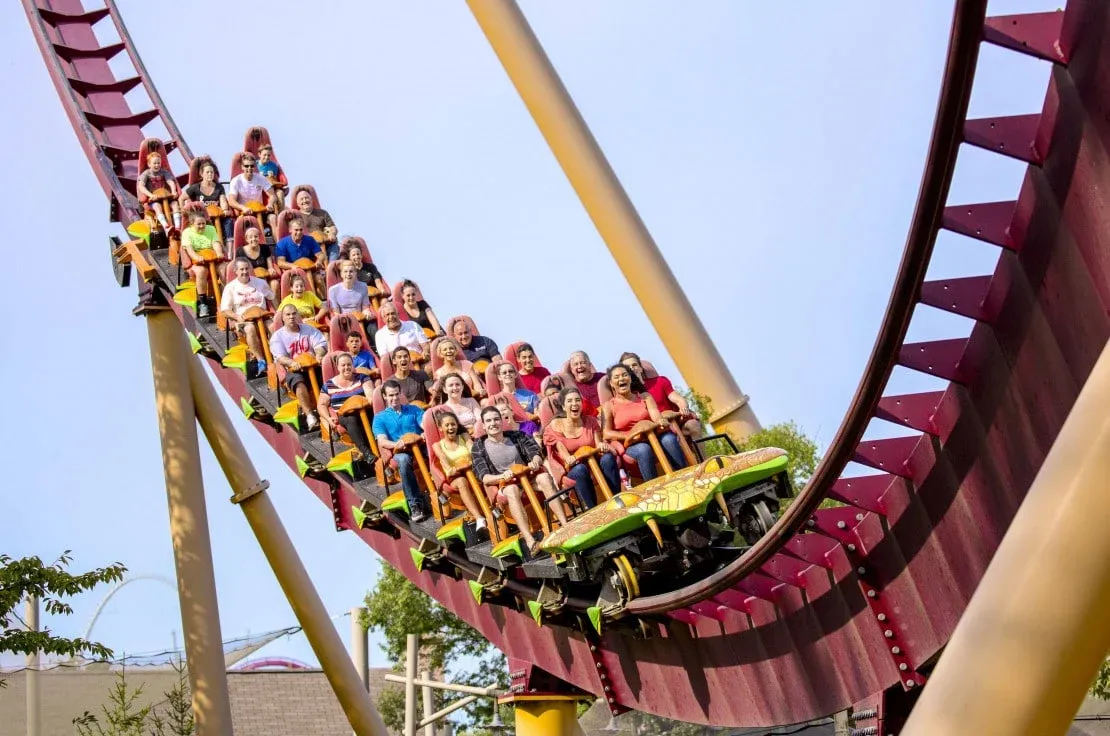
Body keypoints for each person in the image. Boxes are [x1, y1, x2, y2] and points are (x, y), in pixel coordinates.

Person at [472, 406, 568, 553]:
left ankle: (565, 524)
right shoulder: (478, 446)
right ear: (484, 426)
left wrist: (535, 461)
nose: (493, 423)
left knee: (544, 477)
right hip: (505, 482)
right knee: (511, 490)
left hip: (528, 476)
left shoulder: (518, 436)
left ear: (502, 421)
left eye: (496, 419)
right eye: (489, 421)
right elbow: (485, 477)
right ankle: (530, 541)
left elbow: (535, 452)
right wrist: (502, 476)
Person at [601, 364, 687, 481]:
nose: (621, 379)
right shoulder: (608, 406)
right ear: (611, 383)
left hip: (653, 434)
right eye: (616, 377)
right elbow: (606, 433)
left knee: (669, 439)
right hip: (632, 443)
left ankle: (684, 476)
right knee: (643, 449)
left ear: (630, 379)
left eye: (625, 375)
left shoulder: (645, 397)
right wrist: (628, 435)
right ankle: (654, 488)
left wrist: (660, 421)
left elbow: (656, 417)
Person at [544, 387, 619, 509]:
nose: (574, 404)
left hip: (594, 460)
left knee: (607, 458)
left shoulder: (590, 421)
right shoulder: (556, 425)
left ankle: (616, 498)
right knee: (580, 469)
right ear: (563, 407)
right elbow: (563, 452)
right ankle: (593, 509)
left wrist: (601, 445)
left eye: (577, 400)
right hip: (574, 467)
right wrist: (569, 458)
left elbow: (597, 443)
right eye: (569, 401)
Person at [372, 379, 432, 522]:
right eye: (391, 395)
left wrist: (425, 432)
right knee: (403, 461)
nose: (394, 398)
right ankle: (414, 504)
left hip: (419, 444)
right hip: (400, 450)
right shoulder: (380, 418)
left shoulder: (413, 410)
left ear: (401, 394)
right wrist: (396, 444)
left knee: (435, 451)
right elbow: (382, 440)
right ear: (385, 397)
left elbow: (424, 424)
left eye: (397, 394)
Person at [269, 304, 328, 430]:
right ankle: (309, 415)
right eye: (288, 315)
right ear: (283, 318)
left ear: (298, 315)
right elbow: (280, 357)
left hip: (314, 364)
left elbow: (320, 344)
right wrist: (292, 363)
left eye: (294, 314)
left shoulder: (309, 329)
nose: (292, 317)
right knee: (299, 383)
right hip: (295, 369)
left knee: (328, 375)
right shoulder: (277, 336)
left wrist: (319, 354)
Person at [619, 352, 703, 439]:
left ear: (640, 368)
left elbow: (677, 399)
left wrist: (683, 407)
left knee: (693, 425)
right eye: (628, 368)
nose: (632, 368)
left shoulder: (660, 381)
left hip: (676, 421)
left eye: (634, 365)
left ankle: (701, 452)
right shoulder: (628, 396)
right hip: (657, 430)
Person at [430, 410, 488, 532]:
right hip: (454, 476)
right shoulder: (437, 445)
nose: (451, 427)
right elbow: (442, 457)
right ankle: (479, 518)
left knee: (484, 473)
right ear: (441, 428)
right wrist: (449, 468)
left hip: (471, 470)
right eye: (447, 425)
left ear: (457, 425)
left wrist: (476, 458)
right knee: (462, 481)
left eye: (453, 424)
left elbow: (472, 448)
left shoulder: (464, 436)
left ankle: (492, 508)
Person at [317, 352, 376, 461]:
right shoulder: (329, 385)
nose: (346, 368)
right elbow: (321, 405)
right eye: (343, 365)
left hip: (364, 410)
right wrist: (328, 419)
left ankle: (378, 448)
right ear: (338, 367)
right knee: (351, 419)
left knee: (372, 417)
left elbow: (370, 392)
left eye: (349, 364)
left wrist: (369, 398)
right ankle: (366, 452)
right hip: (344, 415)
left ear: (353, 365)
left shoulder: (362, 378)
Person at [219, 257, 275, 372]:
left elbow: (272, 298)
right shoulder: (230, 287)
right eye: (241, 269)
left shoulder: (260, 283)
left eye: (246, 268)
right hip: (244, 319)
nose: (245, 272)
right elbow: (225, 310)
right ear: (235, 271)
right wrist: (236, 317)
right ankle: (261, 360)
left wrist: (276, 312)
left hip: (262, 315)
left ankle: (277, 356)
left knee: (273, 326)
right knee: (250, 329)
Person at [180, 211, 224, 318]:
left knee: (224, 269)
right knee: (202, 271)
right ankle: (203, 303)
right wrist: (196, 257)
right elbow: (189, 250)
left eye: (203, 223)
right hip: (197, 259)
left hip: (212, 256)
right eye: (198, 224)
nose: (202, 226)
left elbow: (215, 243)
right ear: (192, 224)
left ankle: (227, 296)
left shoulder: (211, 229)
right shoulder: (187, 232)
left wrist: (219, 252)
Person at [180, 161, 231, 239]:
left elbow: (223, 200)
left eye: (212, 172)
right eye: (207, 172)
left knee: (228, 221)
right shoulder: (195, 187)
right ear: (202, 174)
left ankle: (229, 247)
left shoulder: (219, 187)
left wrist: (224, 210)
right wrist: (184, 211)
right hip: (203, 218)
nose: (210, 174)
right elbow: (181, 198)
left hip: (217, 215)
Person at [227, 153, 276, 233]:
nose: (249, 168)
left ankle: (278, 244)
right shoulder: (236, 181)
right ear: (242, 167)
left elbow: (272, 195)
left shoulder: (261, 178)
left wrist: (270, 203)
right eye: (246, 166)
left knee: (273, 218)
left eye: (252, 166)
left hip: (260, 210)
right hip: (245, 212)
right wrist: (242, 207)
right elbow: (231, 201)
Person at [275, 218, 325, 294]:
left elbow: (320, 254)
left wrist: (319, 260)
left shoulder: (309, 240)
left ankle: (323, 302)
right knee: (298, 283)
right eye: (296, 230)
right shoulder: (282, 243)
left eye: (301, 230)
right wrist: (293, 266)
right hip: (294, 272)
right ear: (290, 230)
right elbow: (280, 262)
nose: (299, 232)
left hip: (310, 269)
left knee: (319, 279)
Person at [292, 187, 340, 261]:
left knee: (334, 246)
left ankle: (331, 266)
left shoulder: (322, 213)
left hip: (325, 241)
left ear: (311, 199)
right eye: (302, 199)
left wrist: (332, 233)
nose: (304, 201)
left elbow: (332, 227)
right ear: (298, 203)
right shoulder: (297, 216)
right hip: (308, 245)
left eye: (306, 198)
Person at [137, 151, 181, 231]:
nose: (157, 165)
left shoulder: (164, 172)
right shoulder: (146, 173)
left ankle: (178, 227)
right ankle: (166, 227)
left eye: (158, 163)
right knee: (157, 206)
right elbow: (141, 186)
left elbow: (170, 182)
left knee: (175, 204)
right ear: (149, 164)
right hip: (154, 198)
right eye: (154, 163)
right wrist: (150, 195)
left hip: (165, 196)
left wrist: (173, 191)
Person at [237, 225, 279, 297]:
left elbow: (270, 265)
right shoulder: (240, 251)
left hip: (265, 276)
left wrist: (271, 269)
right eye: (251, 237)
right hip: (249, 279)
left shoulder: (265, 248)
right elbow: (239, 269)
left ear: (259, 237)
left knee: (274, 283)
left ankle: (274, 306)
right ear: (246, 239)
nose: (253, 239)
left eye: (256, 236)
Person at [256, 144, 286, 211]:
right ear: (259, 154)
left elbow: (274, 180)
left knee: (280, 193)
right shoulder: (255, 165)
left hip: (270, 186)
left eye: (268, 155)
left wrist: (272, 177)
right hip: (258, 186)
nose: (266, 157)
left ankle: (281, 214)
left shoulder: (273, 165)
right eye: (264, 155)